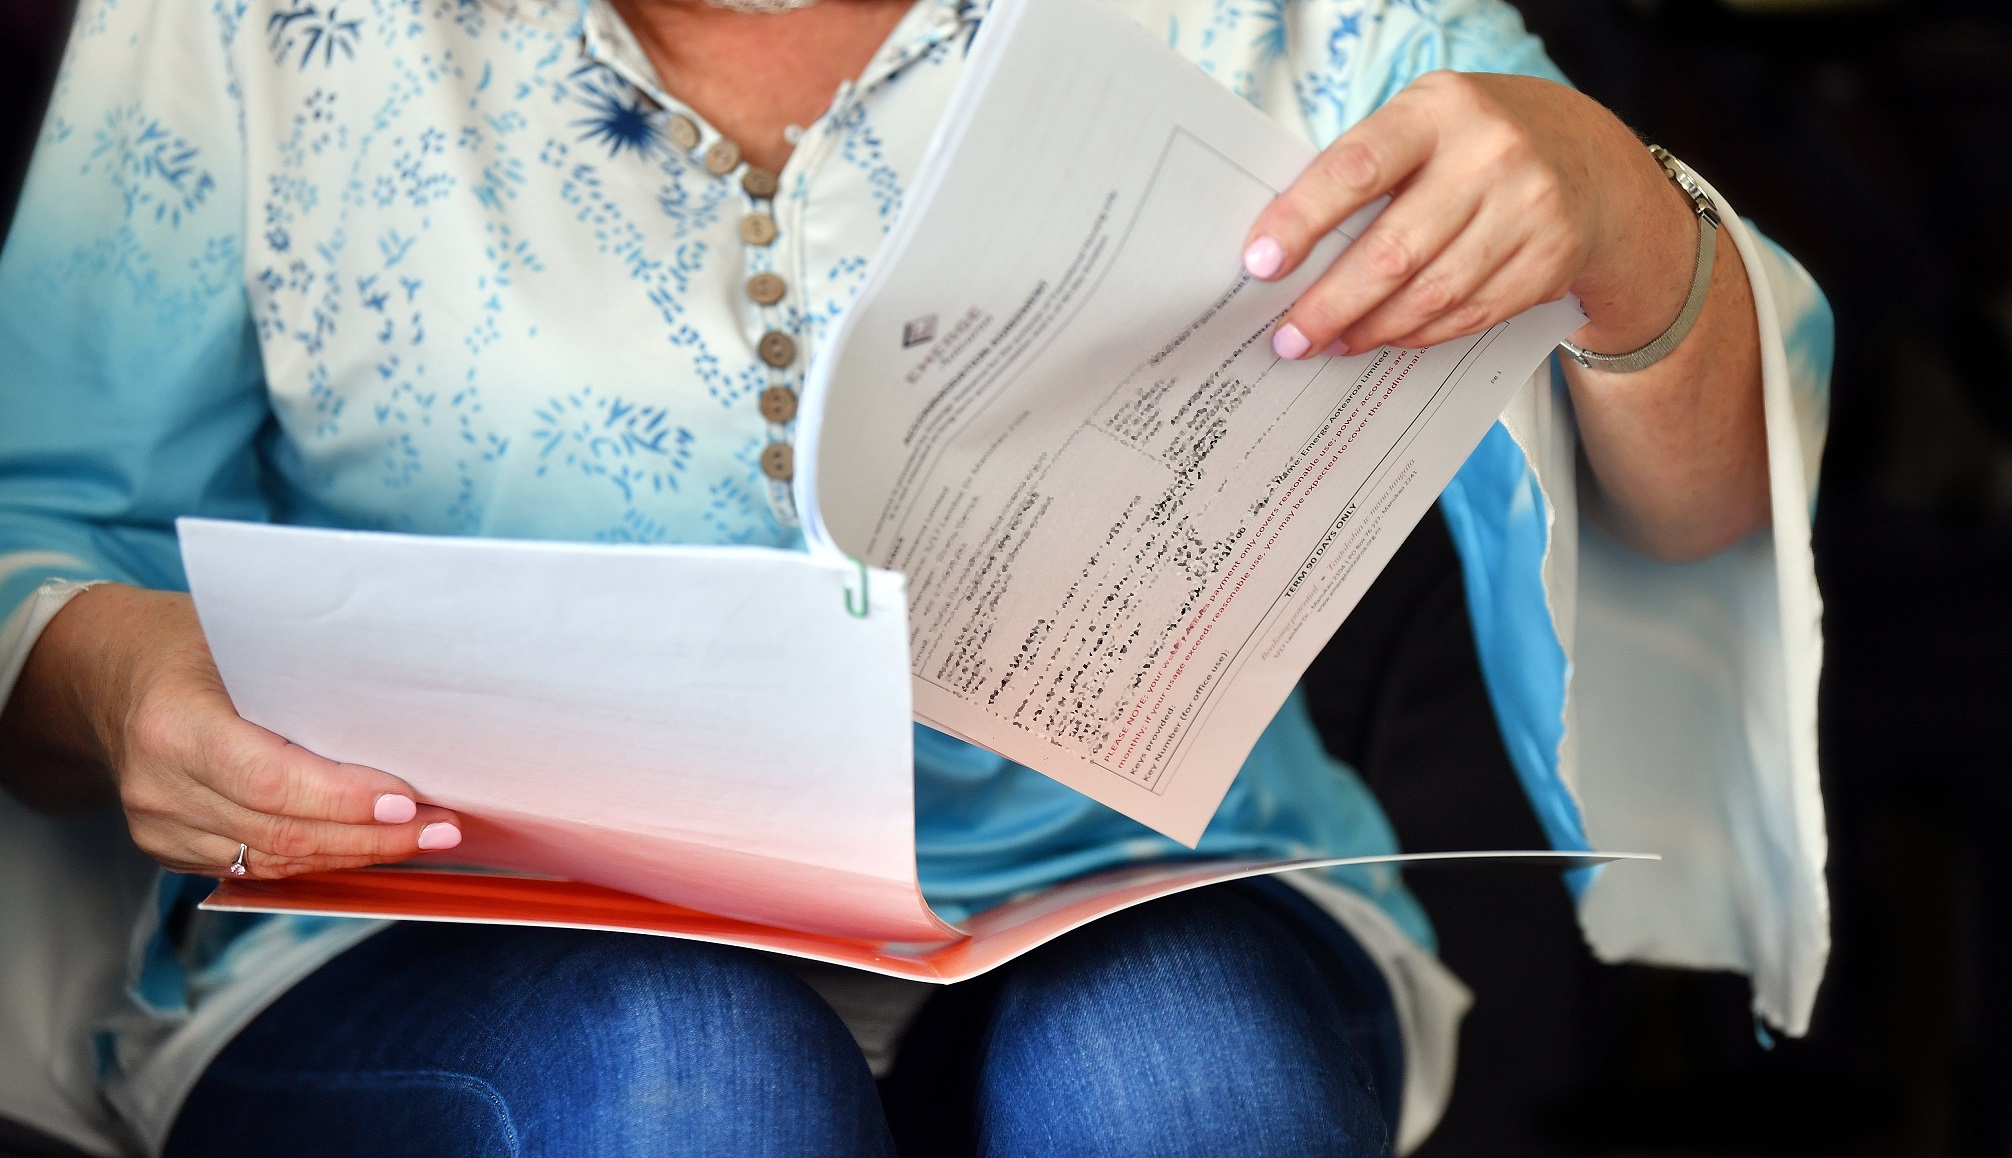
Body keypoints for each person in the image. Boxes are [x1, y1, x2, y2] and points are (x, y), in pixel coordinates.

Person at [0, 0, 1833, 1152]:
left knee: (1187, 1086)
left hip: (1138, 876)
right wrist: (115, 679)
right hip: (430, 924)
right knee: (683, 1081)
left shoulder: (1294, 20)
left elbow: (1695, 516)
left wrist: (1618, 226)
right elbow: (39, 539)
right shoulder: (239, 23)